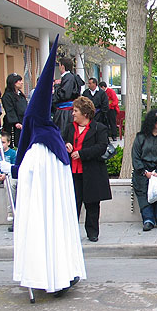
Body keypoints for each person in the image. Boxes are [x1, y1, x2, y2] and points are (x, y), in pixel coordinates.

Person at [12, 35, 85, 297]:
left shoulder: (34, 152)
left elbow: (24, 174)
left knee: (41, 233)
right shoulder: (55, 143)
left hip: (42, 208)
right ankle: (59, 273)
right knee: (55, 232)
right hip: (55, 208)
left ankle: (47, 274)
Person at [62, 96, 112, 242]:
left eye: (75, 110)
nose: (73, 113)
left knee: (92, 203)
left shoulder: (99, 128)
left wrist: (82, 154)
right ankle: (70, 232)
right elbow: (62, 139)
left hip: (92, 172)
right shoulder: (70, 127)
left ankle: (92, 232)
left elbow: (101, 147)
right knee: (73, 203)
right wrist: (66, 144)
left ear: (85, 113)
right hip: (73, 172)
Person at [131, 109, 157, 231]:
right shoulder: (141, 137)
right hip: (144, 170)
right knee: (142, 185)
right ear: (154, 123)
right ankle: (148, 219)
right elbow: (136, 157)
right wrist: (145, 172)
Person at [52, 57, 83, 132]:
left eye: (59, 65)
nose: (58, 67)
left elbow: (65, 94)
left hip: (65, 112)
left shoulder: (68, 77)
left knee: (63, 133)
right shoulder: (69, 77)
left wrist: (56, 88)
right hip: (65, 110)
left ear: (62, 66)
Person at [1, 73, 28, 148]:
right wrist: (15, 122)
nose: (21, 82)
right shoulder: (7, 96)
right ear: (13, 83)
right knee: (16, 142)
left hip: (23, 121)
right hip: (14, 124)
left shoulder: (20, 95)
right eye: (19, 81)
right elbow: (10, 110)